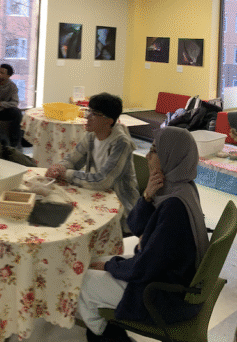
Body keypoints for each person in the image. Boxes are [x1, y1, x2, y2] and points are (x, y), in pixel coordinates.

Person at [76, 127, 210, 342]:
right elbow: (136, 226)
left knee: (84, 282)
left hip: (162, 292)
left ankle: (107, 336)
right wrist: (147, 196)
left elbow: (146, 266)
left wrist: (112, 266)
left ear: (170, 156)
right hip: (167, 275)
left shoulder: (174, 206)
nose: (147, 155)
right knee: (97, 263)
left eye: (154, 150)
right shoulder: (179, 188)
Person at [45, 92, 140, 234]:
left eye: (94, 114)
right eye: (88, 111)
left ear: (109, 121)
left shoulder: (121, 143)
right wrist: (60, 167)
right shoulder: (92, 135)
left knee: (74, 225)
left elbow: (103, 181)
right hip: (97, 195)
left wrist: (66, 173)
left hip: (120, 205)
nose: (87, 117)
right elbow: (73, 159)